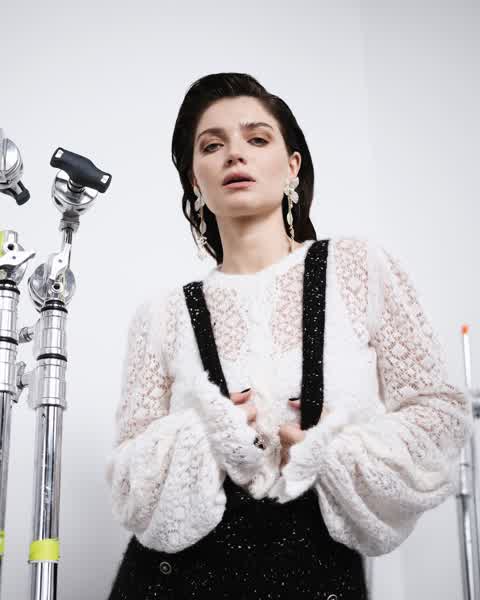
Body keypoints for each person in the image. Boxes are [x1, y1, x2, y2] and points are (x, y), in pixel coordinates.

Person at [104, 72, 474, 599]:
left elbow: (438, 414)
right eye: (212, 146)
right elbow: (129, 485)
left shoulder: (359, 268)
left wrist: (334, 451)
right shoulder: (161, 315)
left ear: (292, 165)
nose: (235, 154)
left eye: (257, 139)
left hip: (318, 577)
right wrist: (203, 435)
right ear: (194, 180)